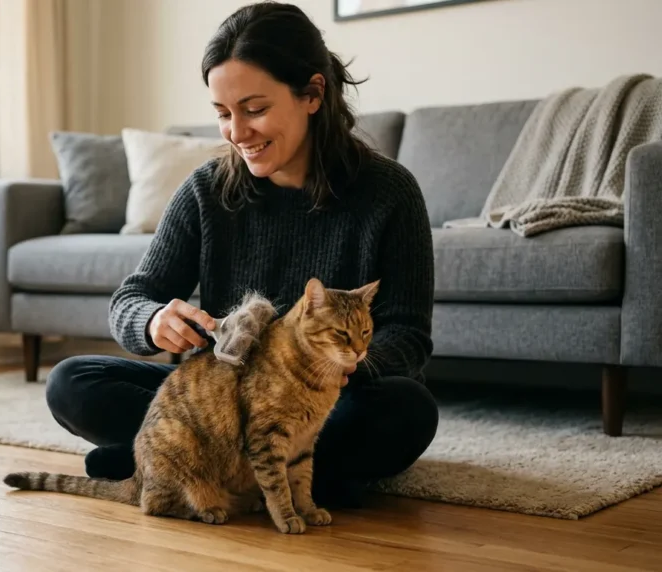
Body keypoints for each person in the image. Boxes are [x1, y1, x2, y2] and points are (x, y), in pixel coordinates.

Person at [44, 1, 438, 508]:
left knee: (407, 410)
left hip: (323, 399)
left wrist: (333, 369)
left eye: (254, 109)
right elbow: (132, 298)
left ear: (313, 93)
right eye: (223, 114)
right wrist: (153, 321)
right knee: (72, 382)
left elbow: (408, 336)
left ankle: (177, 472)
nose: (236, 132)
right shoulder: (207, 191)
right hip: (222, 403)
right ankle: (278, 479)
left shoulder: (389, 192)